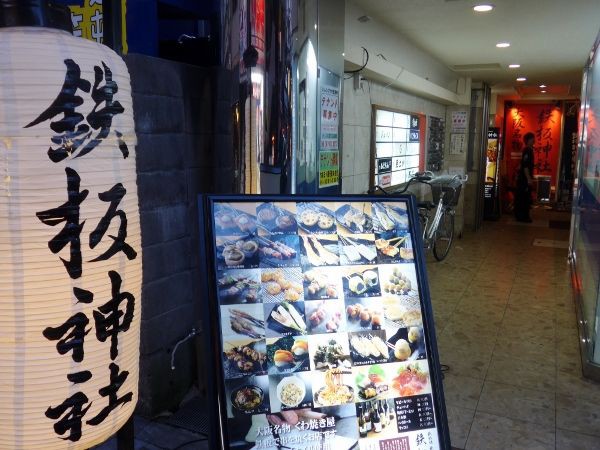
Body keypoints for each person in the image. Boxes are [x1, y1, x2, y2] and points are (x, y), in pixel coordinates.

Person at [514, 132, 535, 222]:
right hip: (524, 180)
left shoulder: (528, 150)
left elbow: (521, 164)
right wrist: (529, 179)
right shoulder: (527, 150)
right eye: (532, 139)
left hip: (523, 178)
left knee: (524, 197)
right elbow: (525, 166)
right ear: (528, 140)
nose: (534, 140)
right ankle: (523, 217)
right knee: (524, 198)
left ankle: (522, 216)